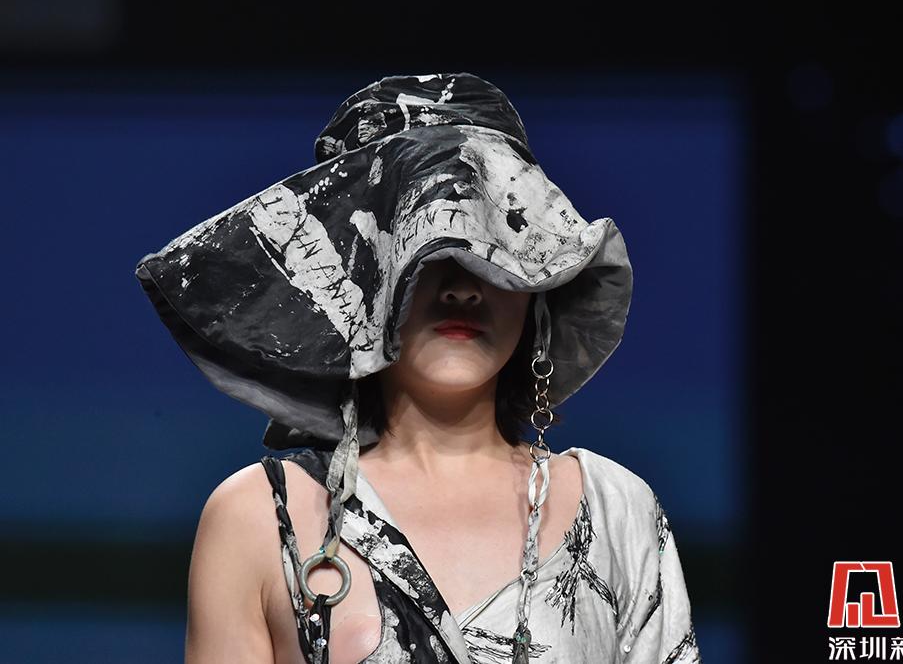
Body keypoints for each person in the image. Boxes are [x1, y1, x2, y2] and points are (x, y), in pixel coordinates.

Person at [135, 72, 701, 663]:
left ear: (535, 287)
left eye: (492, 246)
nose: (462, 288)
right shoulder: (259, 517)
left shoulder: (614, 512)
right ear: (361, 278)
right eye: (423, 249)